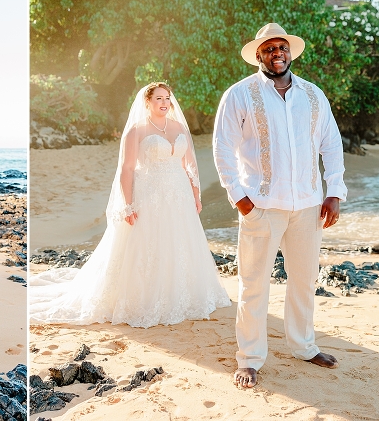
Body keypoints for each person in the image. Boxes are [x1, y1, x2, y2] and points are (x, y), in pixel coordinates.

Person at [212, 23, 347, 389]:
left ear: (290, 53)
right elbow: (222, 148)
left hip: (307, 205)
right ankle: (250, 359)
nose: (277, 54)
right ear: (259, 55)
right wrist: (240, 198)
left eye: (282, 48)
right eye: (270, 49)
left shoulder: (313, 95)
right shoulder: (240, 95)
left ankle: (303, 346)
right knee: (254, 284)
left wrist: (334, 191)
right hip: (261, 206)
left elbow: (331, 145)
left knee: (304, 279)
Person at [30, 82, 230, 327]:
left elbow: (190, 166)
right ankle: (144, 297)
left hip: (179, 195)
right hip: (149, 194)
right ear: (148, 102)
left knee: (179, 241)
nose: (165, 102)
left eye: (167, 98)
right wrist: (127, 204)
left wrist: (196, 195)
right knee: (148, 243)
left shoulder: (179, 127)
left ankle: (180, 293)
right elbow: (126, 169)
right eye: (159, 98)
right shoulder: (137, 131)